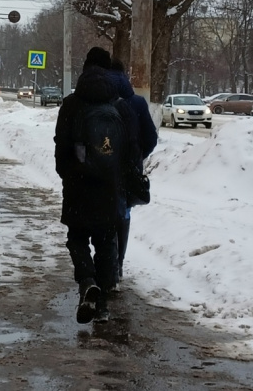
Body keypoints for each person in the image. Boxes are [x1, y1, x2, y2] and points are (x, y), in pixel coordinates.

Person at [54, 47, 124, 324]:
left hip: (78, 183)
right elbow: (129, 148)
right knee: (107, 244)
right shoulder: (118, 104)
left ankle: (86, 282)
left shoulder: (71, 104)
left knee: (77, 237)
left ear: (84, 67)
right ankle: (103, 305)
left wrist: (66, 174)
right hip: (109, 185)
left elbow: (61, 145)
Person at [107, 58, 158, 289]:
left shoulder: (100, 99)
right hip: (129, 170)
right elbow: (151, 138)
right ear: (125, 74)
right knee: (123, 214)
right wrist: (138, 157)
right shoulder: (136, 102)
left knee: (103, 212)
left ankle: (104, 264)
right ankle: (118, 266)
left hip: (104, 167)